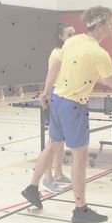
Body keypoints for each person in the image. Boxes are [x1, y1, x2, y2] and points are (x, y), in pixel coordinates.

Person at [21, 6, 112, 223]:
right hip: (74, 106)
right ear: (99, 25)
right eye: (111, 23)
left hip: (58, 100)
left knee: (52, 145)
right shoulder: (99, 53)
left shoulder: (73, 41)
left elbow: (55, 67)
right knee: (80, 157)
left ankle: (32, 187)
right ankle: (80, 209)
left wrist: (46, 92)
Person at [39, 23, 76, 193]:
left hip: (66, 95)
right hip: (55, 95)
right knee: (53, 140)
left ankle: (59, 174)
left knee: (60, 139)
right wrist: (46, 94)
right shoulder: (58, 53)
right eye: (69, 34)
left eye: (74, 33)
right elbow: (51, 75)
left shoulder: (70, 52)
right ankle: (47, 178)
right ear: (61, 37)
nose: (73, 36)